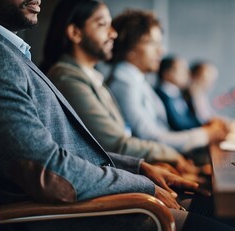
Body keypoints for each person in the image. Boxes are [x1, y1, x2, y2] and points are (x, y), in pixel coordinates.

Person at [0, 0, 235, 231]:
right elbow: (49, 171)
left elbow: (70, 153)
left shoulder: (6, 50)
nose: (113, 33)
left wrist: (141, 167)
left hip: (96, 206)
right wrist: (141, 184)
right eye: (102, 25)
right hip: (72, 219)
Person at [41, 0, 197, 176]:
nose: (113, 33)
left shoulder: (92, 77)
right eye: (102, 24)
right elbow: (117, 144)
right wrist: (172, 156)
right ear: (75, 32)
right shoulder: (67, 78)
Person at [107, 9, 228, 154]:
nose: (161, 51)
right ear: (129, 47)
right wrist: (205, 135)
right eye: (152, 43)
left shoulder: (137, 79)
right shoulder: (123, 82)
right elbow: (149, 138)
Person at [156, 56, 202, 131]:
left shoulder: (178, 94)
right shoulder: (162, 96)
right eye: (182, 70)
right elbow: (176, 123)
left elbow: (190, 117)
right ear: (167, 73)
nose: (188, 73)